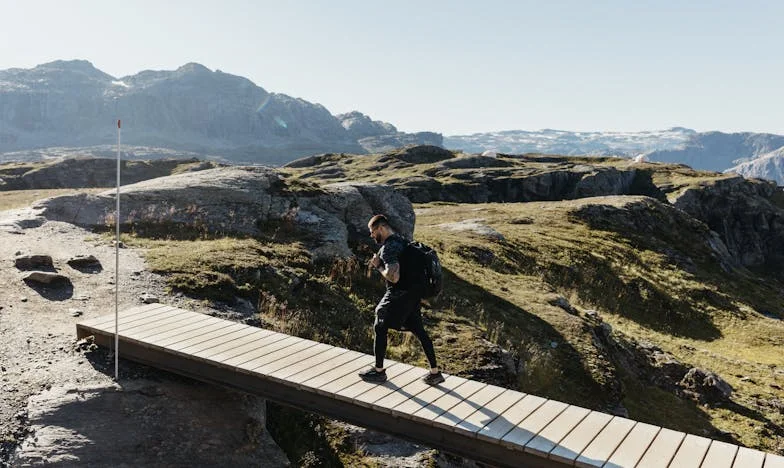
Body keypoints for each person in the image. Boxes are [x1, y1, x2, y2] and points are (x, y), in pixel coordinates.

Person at [358, 214, 445, 385]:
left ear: (381, 228)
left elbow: (393, 276)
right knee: (419, 330)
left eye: (372, 231)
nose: (371, 235)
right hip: (413, 294)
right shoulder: (403, 241)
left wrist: (378, 266)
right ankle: (435, 373)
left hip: (399, 292)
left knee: (379, 322)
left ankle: (378, 371)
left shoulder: (389, 247)